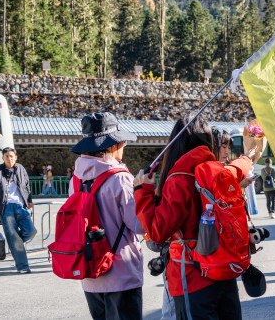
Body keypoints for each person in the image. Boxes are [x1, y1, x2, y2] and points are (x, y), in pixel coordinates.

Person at [135, 113, 260, 319]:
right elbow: (239, 168)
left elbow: (158, 231)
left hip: (191, 276)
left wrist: (143, 191)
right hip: (224, 270)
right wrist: (249, 155)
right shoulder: (219, 170)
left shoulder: (179, 179)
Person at [69, 112, 143, 319]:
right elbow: (138, 224)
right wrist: (144, 193)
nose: (124, 145)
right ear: (110, 146)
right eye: (121, 142)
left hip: (90, 271)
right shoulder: (120, 179)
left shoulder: (75, 179)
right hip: (121, 272)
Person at [0, 147, 36, 274]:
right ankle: (23, 266)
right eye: (6, 156)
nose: (9, 158)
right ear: (3, 158)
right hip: (5, 208)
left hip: (20, 206)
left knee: (31, 231)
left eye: (11, 156)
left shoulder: (21, 169)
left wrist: (29, 200)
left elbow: (26, 185)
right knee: (14, 238)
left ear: (15, 157)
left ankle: (15, 244)